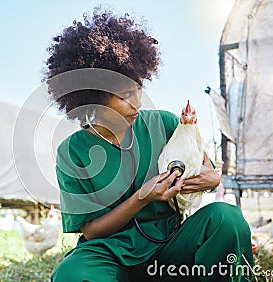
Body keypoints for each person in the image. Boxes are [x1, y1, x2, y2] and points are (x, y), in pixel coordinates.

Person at [45, 8, 253, 282]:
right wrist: (142, 197)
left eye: (139, 89)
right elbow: (92, 231)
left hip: (170, 244)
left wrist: (212, 179)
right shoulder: (72, 152)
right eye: (125, 96)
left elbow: (207, 173)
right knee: (72, 274)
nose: (138, 103)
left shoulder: (166, 124)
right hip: (109, 253)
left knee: (227, 219)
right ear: (93, 99)